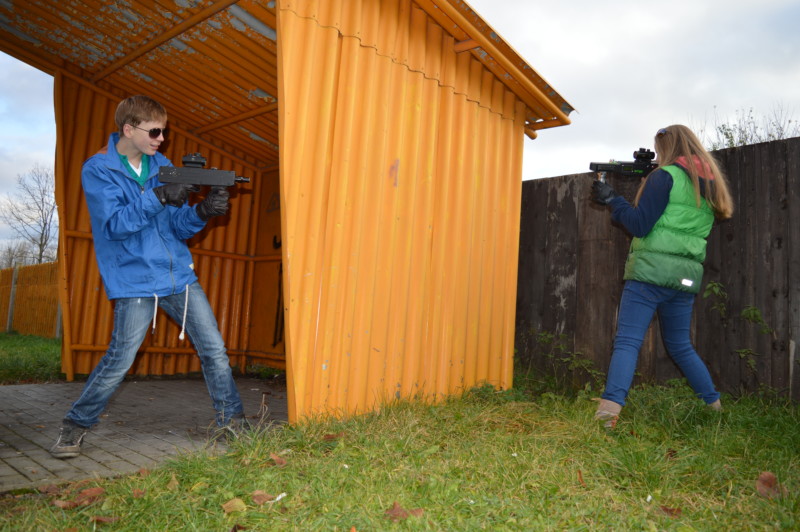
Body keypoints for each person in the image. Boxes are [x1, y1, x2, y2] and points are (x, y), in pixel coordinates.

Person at [50, 95, 247, 458]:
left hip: (177, 276)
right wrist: (158, 196)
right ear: (129, 129)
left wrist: (203, 211)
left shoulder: (164, 166)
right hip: (135, 280)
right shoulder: (98, 169)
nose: (161, 138)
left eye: (164, 132)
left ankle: (233, 423)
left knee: (215, 351)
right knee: (120, 359)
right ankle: (74, 426)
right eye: (155, 131)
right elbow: (115, 226)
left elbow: (177, 225)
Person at [590, 124, 734, 428]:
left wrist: (613, 199)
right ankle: (714, 405)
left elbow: (640, 225)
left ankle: (608, 413)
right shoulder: (706, 182)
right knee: (681, 345)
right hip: (684, 277)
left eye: (658, 150)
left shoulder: (663, 177)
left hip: (649, 275)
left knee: (628, 342)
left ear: (667, 148)